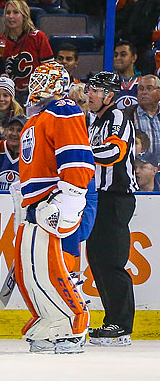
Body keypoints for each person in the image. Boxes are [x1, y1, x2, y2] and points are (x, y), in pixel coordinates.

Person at [12, 60, 94, 354]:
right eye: (36, 79)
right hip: (35, 205)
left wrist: (71, 200)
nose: (37, 86)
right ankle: (49, 318)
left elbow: (77, 158)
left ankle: (73, 321)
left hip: (52, 202)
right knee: (29, 271)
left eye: (45, 80)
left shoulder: (64, 109)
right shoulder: (36, 118)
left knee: (49, 268)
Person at [83, 71, 137, 346]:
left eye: (95, 90)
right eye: (90, 89)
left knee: (112, 262)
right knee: (98, 261)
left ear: (109, 95)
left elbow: (115, 152)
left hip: (116, 198)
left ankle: (121, 325)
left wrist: (80, 153)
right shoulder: (94, 122)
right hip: (98, 198)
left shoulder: (118, 117)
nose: (89, 94)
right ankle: (111, 321)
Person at [0, 0, 54, 94]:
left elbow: (50, 68)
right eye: (8, 13)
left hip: (36, 92)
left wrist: (36, 84)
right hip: (9, 94)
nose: (11, 16)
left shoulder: (38, 36)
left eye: (16, 12)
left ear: (24, 16)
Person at [132, 74, 160, 166]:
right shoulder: (127, 116)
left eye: (149, 88)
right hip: (138, 169)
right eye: (140, 88)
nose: (144, 92)